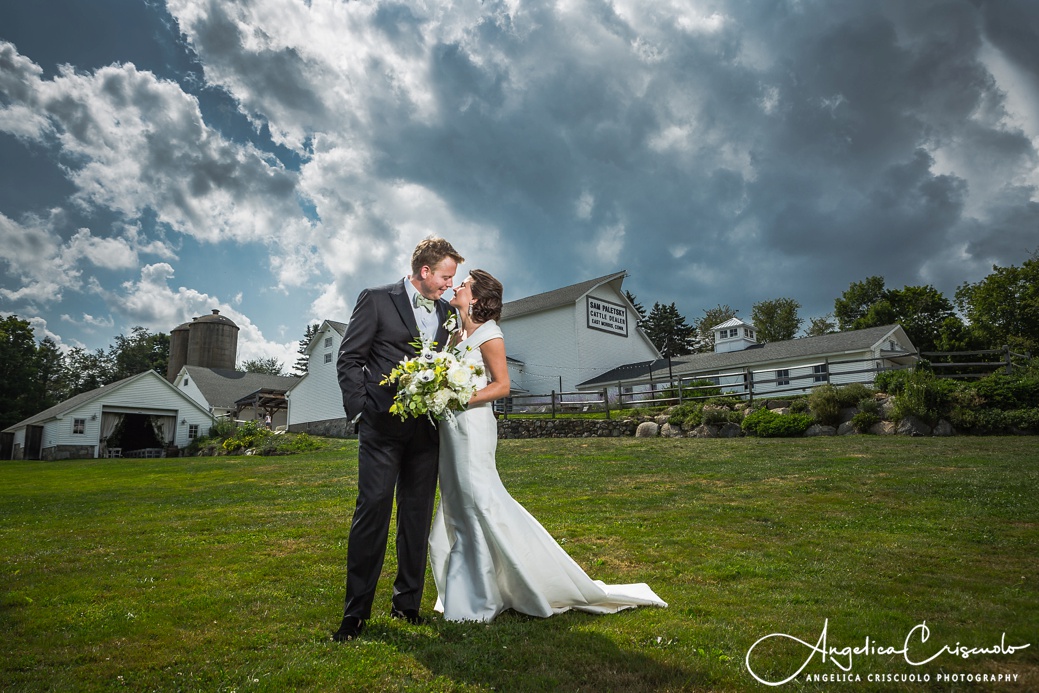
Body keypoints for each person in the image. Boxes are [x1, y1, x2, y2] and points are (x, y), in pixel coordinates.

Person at [428, 269, 667, 622]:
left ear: (475, 298)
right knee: (456, 500)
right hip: (450, 429)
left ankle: (482, 592)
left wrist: (460, 398)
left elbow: (502, 385)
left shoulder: (490, 335)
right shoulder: (454, 334)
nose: (457, 287)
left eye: (463, 285)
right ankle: (474, 584)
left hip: (473, 425)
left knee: (479, 498)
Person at [332, 236, 464, 641]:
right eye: (445, 276)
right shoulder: (375, 299)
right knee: (372, 511)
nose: (448, 284)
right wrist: (360, 409)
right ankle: (355, 613)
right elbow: (350, 359)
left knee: (416, 517)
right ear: (424, 271)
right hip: (381, 429)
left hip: (426, 433)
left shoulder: (446, 314)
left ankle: (407, 604)